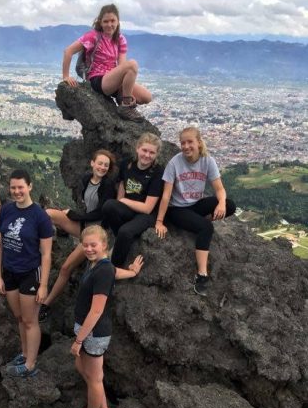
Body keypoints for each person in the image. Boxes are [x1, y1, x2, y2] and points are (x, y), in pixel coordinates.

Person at [69, 226, 143, 408]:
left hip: (93, 333)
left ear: (104, 245)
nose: (89, 249)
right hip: (88, 331)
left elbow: (96, 311)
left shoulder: (102, 270)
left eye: (93, 245)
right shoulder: (98, 265)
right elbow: (114, 272)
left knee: (94, 379)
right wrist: (131, 272)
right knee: (84, 369)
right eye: (85, 245)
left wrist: (78, 341)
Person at [155, 126, 236, 297]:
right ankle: (201, 274)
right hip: (176, 209)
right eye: (182, 143)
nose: (185, 146)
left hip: (195, 205)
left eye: (189, 142)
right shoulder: (174, 163)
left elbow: (220, 189)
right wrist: (159, 221)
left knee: (230, 205)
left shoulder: (208, 161)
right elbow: (166, 195)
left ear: (199, 143)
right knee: (206, 228)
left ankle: (196, 220)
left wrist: (221, 203)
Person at [39, 149, 117, 322]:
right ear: (92, 163)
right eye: (100, 163)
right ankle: (32, 238)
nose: (102, 167)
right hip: (84, 225)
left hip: (96, 232)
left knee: (66, 267)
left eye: (106, 165)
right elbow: (86, 207)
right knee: (49, 213)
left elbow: (100, 213)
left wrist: (76, 216)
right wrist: (75, 217)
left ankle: (46, 304)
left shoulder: (108, 186)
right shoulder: (86, 180)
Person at [0, 169, 53, 377]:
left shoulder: (40, 216)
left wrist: (43, 285)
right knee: (19, 317)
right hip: (10, 272)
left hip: (30, 272)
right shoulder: (6, 210)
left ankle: (30, 364)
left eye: (21, 187)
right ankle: (25, 353)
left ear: (30, 187)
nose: (17, 191)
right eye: (13, 187)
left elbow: (46, 254)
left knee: (30, 320)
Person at [62, 3, 152, 120]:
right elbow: (68, 51)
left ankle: (122, 98)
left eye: (112, 21)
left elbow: (122, 65)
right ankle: (126, 106)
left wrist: (125, 89)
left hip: (112, 80)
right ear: (100, 22)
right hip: (97, 79)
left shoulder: (120, 39)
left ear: (118, 22)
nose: (109, 25)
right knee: (132, 65)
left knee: (147, 97)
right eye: (105, 21)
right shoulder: (93, 36)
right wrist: (66, 76)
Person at [102, 133, 164, 268]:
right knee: (108, 206)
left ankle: (114, 269)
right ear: (137, 148)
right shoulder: (127, 163)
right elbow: (122, 184)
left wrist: (123, 201)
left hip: (146, 215)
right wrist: (120, 200)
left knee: (126, 231)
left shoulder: (157, 172)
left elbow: (148, 208)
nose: (147, 155)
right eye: (145, 150)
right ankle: (121, 239)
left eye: (152, 152)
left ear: (156, 154)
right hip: (129, 208)